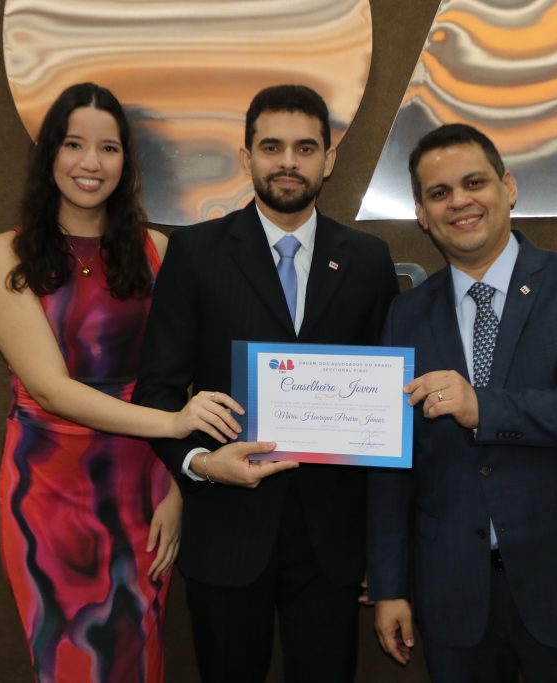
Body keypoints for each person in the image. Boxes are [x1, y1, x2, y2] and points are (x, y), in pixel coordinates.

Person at [367, 123, 557, 682]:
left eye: (474, 182)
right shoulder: (406, 315)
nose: (460, 201)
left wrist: (483, 407)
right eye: (439, 193)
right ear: (422, 215)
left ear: (508, 187)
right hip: (452, 588)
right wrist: (389, 585)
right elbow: (390, 461)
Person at [132, 84, 399, 682]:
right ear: (246, 156)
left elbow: (387, 411)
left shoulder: (368, 260)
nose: (288, 162)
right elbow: (157, 392)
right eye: (272, 147)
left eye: (305, 148)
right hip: (226, 530)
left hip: (333, 545)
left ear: (329, 160)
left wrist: (384, 551)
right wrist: (201, 464)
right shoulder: (196, 253)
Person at [0, 82, 242, 683]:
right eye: (74, 144)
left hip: (144, 487)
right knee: (70, 659)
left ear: (126, 162)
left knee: (139, 655)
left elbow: (176, 377)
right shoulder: (6, 255)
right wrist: (175, 424)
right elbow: (52, 390)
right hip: (47, 494)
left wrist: (178, 489)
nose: (90, 163)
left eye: (108, 148)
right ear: (49, 153)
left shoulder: (157, 250)